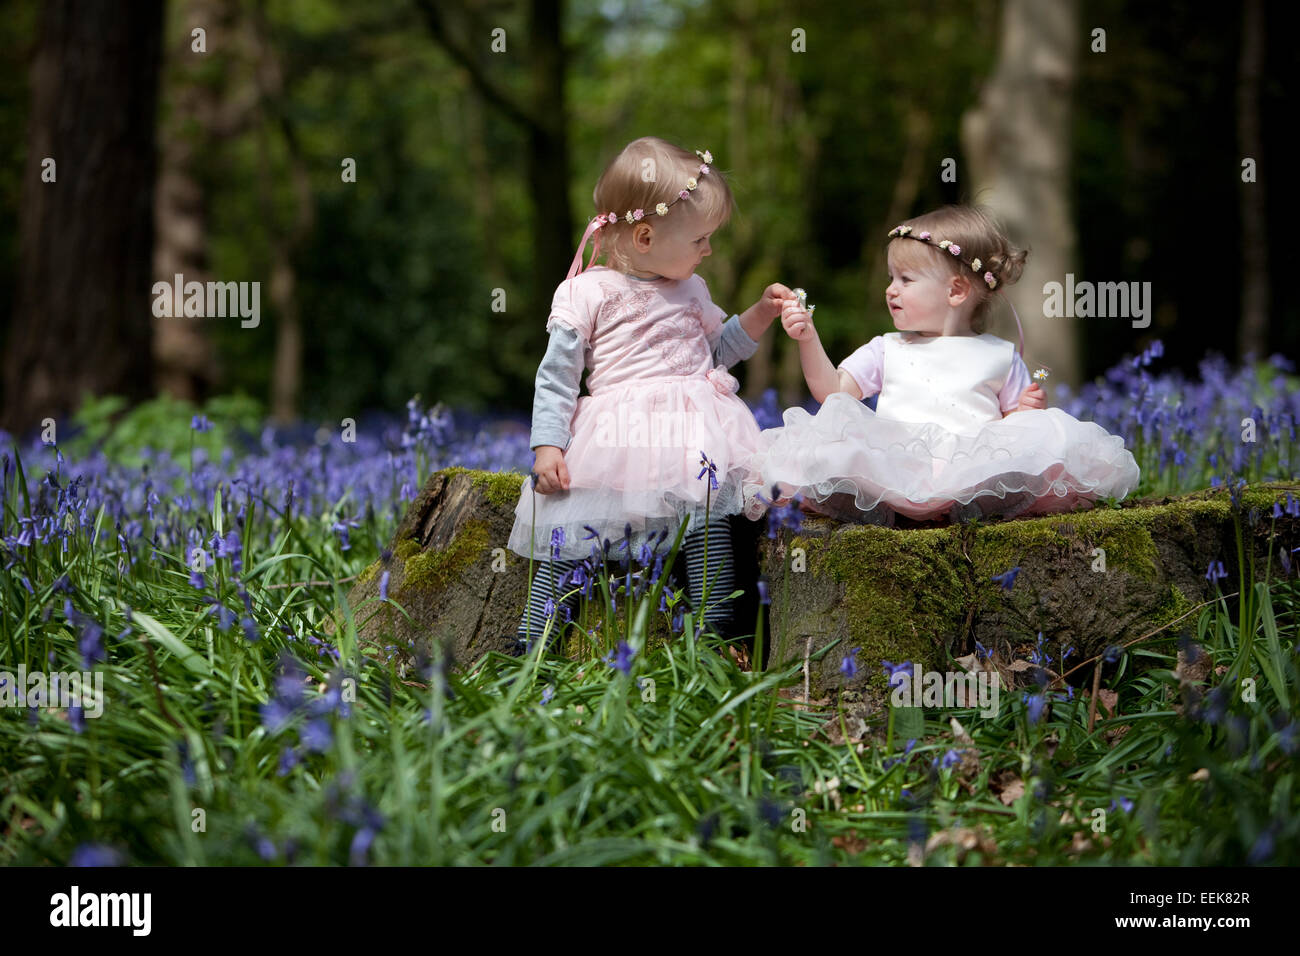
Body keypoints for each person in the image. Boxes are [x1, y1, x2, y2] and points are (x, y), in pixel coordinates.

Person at [506, 136, 799, 652]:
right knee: (570, 531)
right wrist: (547, 444)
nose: (708, 250)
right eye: (700, 240)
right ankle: (534, 640)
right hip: (619, 434)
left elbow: (716, 350)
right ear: (644, 237)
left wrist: (759, 313)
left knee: (704, 519)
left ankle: (716, 631)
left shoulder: (692, 289)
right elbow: (556, 376)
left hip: (692, 435)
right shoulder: (587, 291)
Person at [742, 204, 1140, 525]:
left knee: (1044, 432)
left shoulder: (998, 355)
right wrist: (808, 340)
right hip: (895, 469)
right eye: (890, 277)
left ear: (956, 290)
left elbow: (1015, 426)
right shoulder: (888, 348)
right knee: (835, 444)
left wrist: (1025, 410)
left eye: (905, 279)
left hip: (970, 476)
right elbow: (832, 393)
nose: (890, 289)